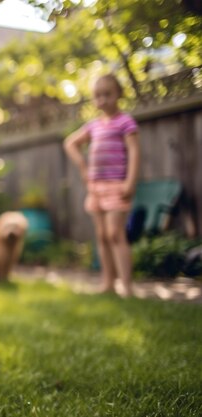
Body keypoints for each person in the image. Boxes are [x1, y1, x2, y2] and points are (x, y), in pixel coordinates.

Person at [64, 74, 140, 297]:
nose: (102, 100)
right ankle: (108, 282)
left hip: (117, 185)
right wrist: (82, 166)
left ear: (118, 94)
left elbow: (135, 152)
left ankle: (126, 285)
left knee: (115, 233)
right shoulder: (94, 125)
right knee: (102, 236)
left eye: (107, 94)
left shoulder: (125, 122)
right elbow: (70, 143)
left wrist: (130, 181)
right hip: (96, 187)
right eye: (98, 96)